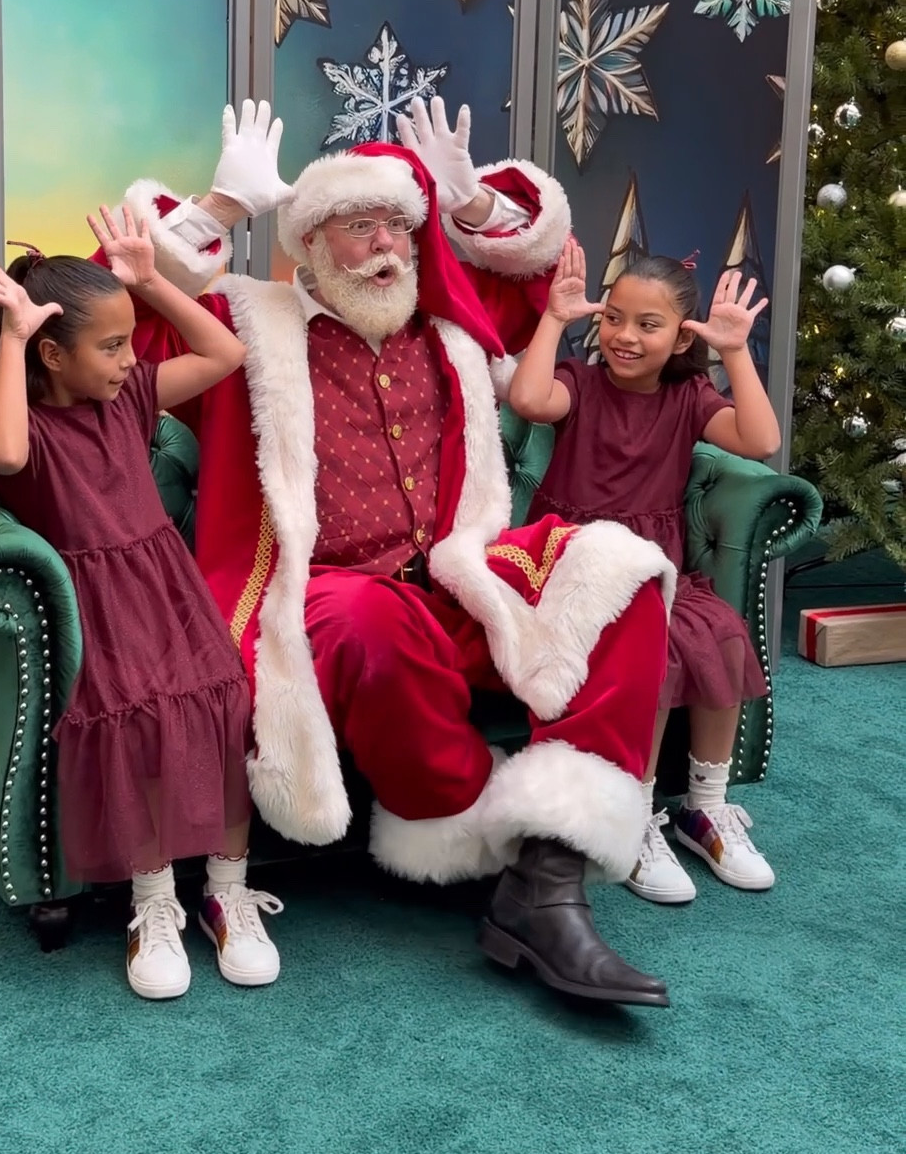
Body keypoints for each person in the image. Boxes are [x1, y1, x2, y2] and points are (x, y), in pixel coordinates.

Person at [97, 99, 678, 1011]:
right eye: (359, 227)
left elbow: (536, 271)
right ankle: (479, 826)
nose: (385, 247)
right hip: (320, 589)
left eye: (398, 227)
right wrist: (221, 207)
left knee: (620, 566)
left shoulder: (446, 326)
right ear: (310, 244)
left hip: (454, 574)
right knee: (368, 621)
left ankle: (547, 872)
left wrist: (471, 204)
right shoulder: (245, 322)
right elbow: (102, 323)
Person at [0, 208, 284, 1000]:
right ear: (51, 354)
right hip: (95, 605)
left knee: (225, 703)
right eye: (110, 345)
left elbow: (226, 353)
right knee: (135, 722)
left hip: (164, 585)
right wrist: (12, 339)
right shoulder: (22, 422)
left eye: (129, 340)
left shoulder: (129, 395)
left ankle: (227, 892)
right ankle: (154, 901)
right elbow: (3, 453)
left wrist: (149, 284)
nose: (129, 358)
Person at [508, 242, 781, 906]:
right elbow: (530, 398)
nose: (625, 336)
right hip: (575, 564)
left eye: (647, 325)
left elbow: (761, 441)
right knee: (650, 645)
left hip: (654, 570)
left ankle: (704, 807)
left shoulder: (688, 397)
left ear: (682, 336)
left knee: (718, 632)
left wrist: (734, 352)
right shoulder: (579, 382)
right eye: (614, 318)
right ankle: (634, 814)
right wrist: (555, 318)